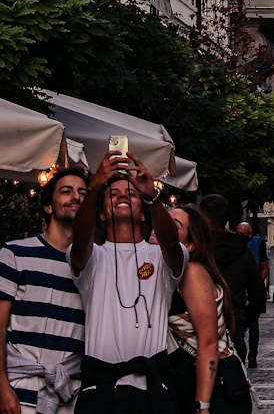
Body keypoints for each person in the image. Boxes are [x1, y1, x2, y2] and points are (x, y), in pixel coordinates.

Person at [70, 149, 188, 412]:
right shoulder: (92, 256)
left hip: (151, 387)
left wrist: (153, 197)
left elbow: (171, 242)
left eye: (131, 194)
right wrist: (93, 189)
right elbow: (79, 242)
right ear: (101, 214)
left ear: (143, 212)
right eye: (113, 194)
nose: (122, 196)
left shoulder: (159, 255)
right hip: (101, 388)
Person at [0, 166, 88, 414]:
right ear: (48, 206)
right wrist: (2, 387)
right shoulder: (15, 253)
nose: (76, 197)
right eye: (66, 191)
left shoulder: (93, 266)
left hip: (68, 395)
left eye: (83, 192)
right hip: (18, 394)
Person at [165, 205, 234, 414]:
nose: (162, 228)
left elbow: (208, 341)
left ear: (191, 245)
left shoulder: (192, 272)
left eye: (174, 226)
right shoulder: (166, 274)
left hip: (212, 390)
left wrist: (202, 407)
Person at [198, 197, 266, 362]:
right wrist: (243, 318)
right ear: (227, 219)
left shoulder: (197, 250)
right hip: (233, 319)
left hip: (199, 322)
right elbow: (258, 294)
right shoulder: (243, 250)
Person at [234, 223, 266, 369]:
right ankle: (239, 357)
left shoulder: (257, 245)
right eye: (238, 234)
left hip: (253, 293)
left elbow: (265, 267)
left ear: (250, 234)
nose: (240, 237)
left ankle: (253, 355)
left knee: (253, 326)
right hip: (237, 294)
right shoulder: (232, 248)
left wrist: (255, 284)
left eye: (243, 234)